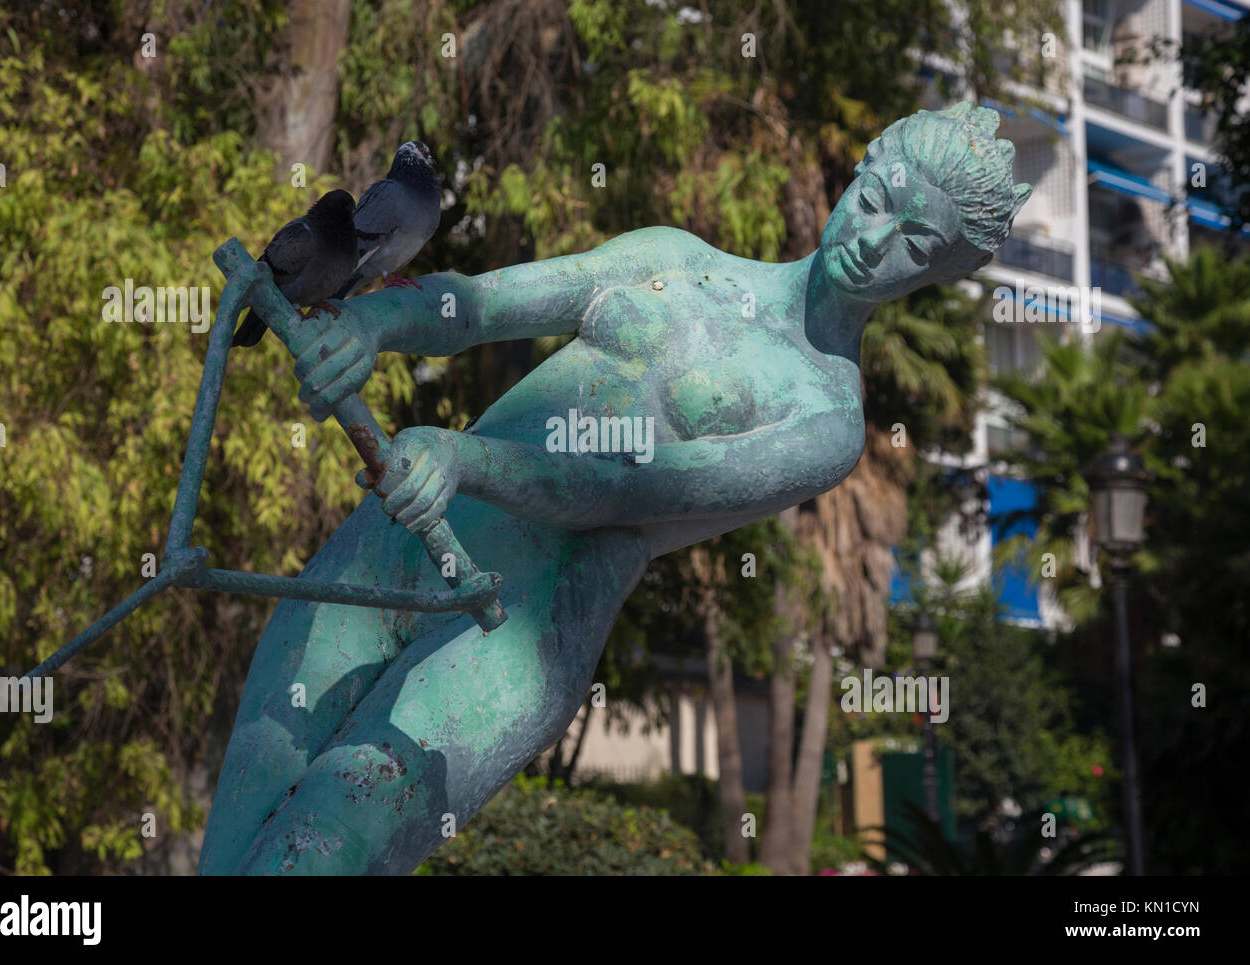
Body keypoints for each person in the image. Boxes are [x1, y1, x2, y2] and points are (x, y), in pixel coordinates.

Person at [199, 101, 1031, 875]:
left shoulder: (826, 421)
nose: (875, 240)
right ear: (862, 167)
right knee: (232, 840)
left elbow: (629, 490)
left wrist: (467, 460)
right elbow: (486, 306)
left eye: (916, 247)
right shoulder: (679, 258)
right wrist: (369, 324)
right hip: (397, 522)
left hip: (513, 623)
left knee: (315, 850)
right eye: (878, 198)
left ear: (937, 274)